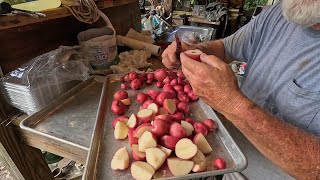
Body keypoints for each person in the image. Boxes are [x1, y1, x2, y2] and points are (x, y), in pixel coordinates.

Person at [162, 1, 320, 179]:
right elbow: (226, 47)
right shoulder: (281, 11)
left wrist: (231, 103)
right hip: (231, 168)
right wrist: (196, 51)